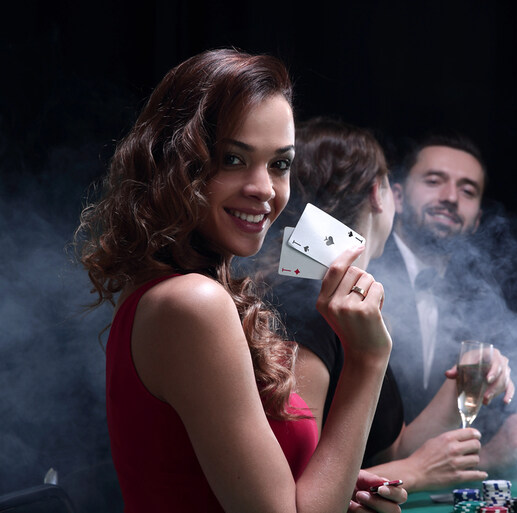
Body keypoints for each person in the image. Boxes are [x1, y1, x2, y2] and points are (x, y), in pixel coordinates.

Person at [75, 49, 406, 512]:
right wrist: (368, 359)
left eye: (280, 164)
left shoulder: (176, 291)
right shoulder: (192, 302)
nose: (265, 189)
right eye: (233, 159)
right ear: (178, 163)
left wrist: (333, 489)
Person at [258, 117, 514, 492]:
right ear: (381, 193)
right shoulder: (302, 303)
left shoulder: (351, 300)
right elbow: (296, 487)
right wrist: (414, 473)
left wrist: (463, 380)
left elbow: (383, 450)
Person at [368, 133, 517, 473]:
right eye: (434, 181)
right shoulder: (363, 271)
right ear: (396, 195)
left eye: (467, 190)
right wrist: (487, 457)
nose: (451, 197)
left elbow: (505, 401)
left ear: (478, 218)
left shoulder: (480, 296)